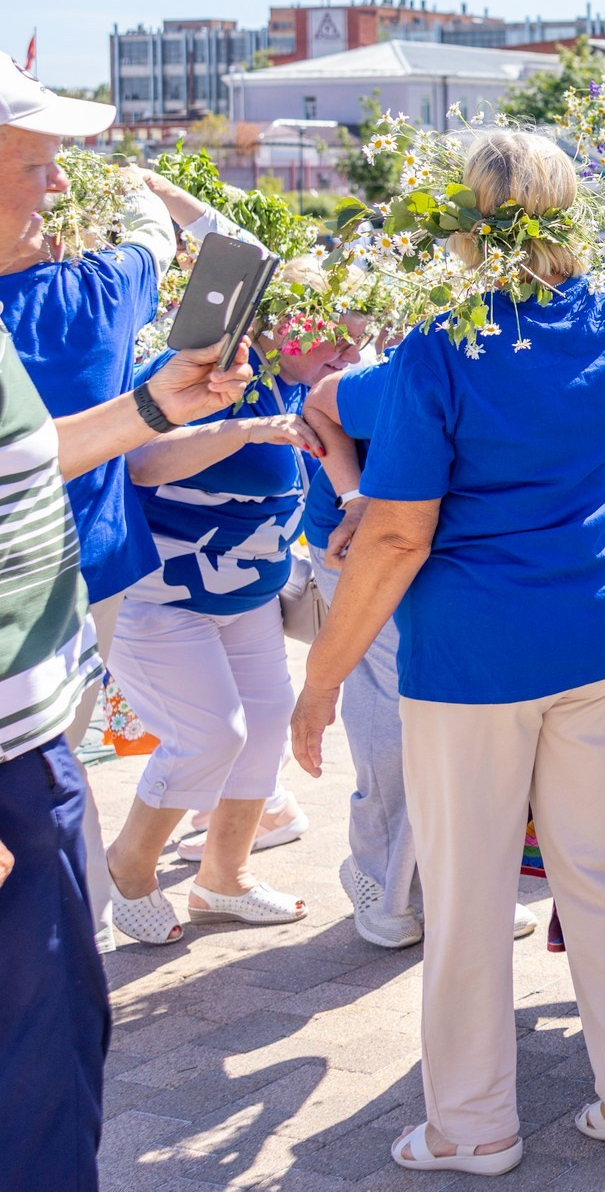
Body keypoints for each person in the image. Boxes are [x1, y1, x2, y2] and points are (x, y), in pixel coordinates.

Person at [288, 127, 605, 1175]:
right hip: (604, 635)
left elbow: (395, 537)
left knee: (466, 896)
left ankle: (474, 1124)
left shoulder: (439, 348)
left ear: (463, 222)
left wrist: (318, 683)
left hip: (475, 660)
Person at [0, 63, 258, 1192]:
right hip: (18, 738)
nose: (59, 184)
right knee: (38, 1044)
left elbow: (31, 454)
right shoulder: (97, 286)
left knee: (60, 1033)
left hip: (36, 713)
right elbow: (197, 240)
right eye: (35, 163)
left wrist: (155, 406)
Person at [0, 155, 237, 951]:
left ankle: (74, 922)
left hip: (50, 572)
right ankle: (76, 925)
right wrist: (141, 190)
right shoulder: (103, 288)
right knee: (55, 757)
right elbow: (156, 239)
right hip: (92, 566)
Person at [97, 261, 356, 945]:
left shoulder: (311, 383)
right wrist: (245, 430)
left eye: (358, 340)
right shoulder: (207, 371)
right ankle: (128, 866)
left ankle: (225, 879)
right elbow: (140, 461)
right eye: (338, 338)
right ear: (288, 325)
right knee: (209, 735)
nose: (350, 353)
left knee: (265, 724)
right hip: (160, 592)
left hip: (249, 595)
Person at [303, 347, 546, 951]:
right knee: (393, 710)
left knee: (462, 721)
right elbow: (321, 403)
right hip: (365, 544)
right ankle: (380, 878)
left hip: (457, 553)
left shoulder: (545, 350)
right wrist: (355, 499)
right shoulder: (432, 359)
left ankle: (457, 884)